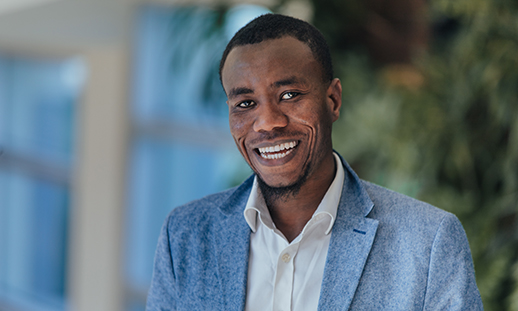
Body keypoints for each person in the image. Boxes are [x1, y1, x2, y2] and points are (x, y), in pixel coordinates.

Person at [146, 14, 483, 311]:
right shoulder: (186, 235)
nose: (267, 122)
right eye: (245, 103)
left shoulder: (427, 243)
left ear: (332, 100)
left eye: (289, 95)